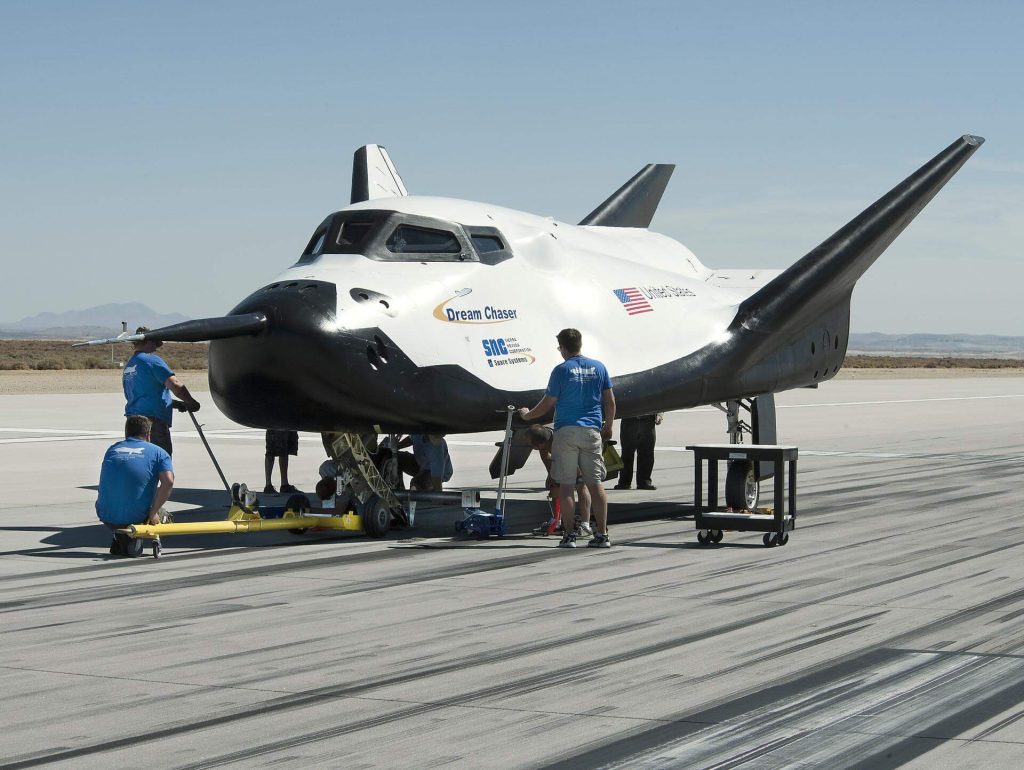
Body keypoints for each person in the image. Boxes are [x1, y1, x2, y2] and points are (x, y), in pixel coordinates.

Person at [519, 328, 615, 548]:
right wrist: (608, 427)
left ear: (562, 347)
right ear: (580, 344)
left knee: (566, 487)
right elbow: (610, 402)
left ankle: (570, 535)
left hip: (566, 432)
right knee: (595, 485)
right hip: (592, 431)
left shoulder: (561, 370)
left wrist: (527, 415)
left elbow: (547, 403)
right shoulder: (599, 367)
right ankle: (601, 534)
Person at [96, 415, 174, 556]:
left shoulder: (112, 449)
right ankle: (137, 535)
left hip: (105, 514)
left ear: (126, 433)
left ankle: (119, 535)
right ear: (148, 434)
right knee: (164, 516)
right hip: (136, 516)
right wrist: (154, 511)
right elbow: (168, 481)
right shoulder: (158, 453)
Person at [122, 327, 200, 455]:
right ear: (148, 342)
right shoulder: (152, 360)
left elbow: (144, 394)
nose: (155, 348)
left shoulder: (130, 365)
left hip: (132, 422)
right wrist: (191, 402)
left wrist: (176, 404)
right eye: (154, 343)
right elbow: (175, 384)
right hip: (152, 422)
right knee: (160, 460)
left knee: (139, 459)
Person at [525, 424, 592, 537]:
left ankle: (585, 524)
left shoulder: (562, 441)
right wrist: (551, 476)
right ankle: (557, 522)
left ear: (540, 444)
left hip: (581, 452)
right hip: (563, 456)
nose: (530, 447)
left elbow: (577, 468)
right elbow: (546, 456)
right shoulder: (544, 439)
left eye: (532, 445)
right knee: (554, 487)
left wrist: (564, 478)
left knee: (581, 484)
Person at [614, 413, 663, 490]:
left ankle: (644, 481)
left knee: (647, 452)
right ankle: (624, 482)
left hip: (648, 420)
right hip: (628, 419)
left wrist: (660, 414)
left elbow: (659, 401)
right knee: (627, 453)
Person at [264, 430, 299, 494]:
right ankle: (268, 485)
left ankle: (284, 484)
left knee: (285, 450)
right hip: (274, 423)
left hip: (287, 422)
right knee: (271, 450)